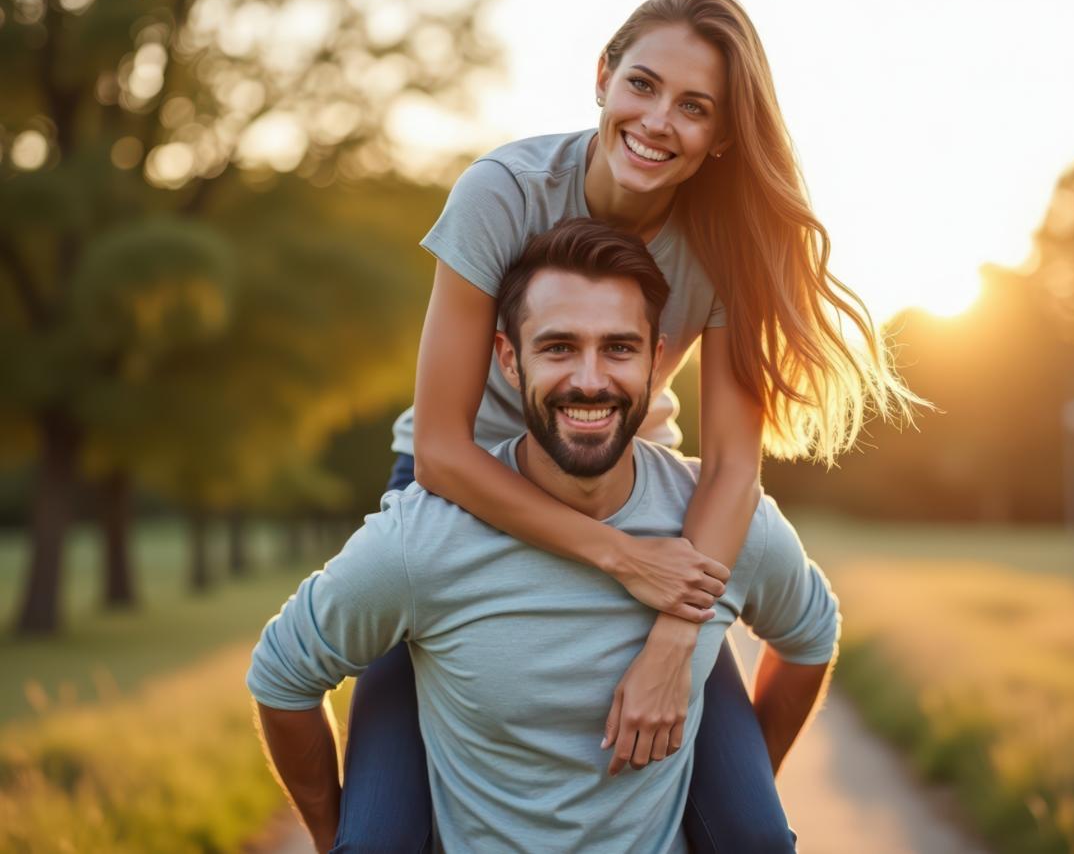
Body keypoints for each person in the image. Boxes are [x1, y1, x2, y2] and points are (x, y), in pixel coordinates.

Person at [350, 0, 927, 851]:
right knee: (377, 839)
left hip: (629, 488)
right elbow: (438, 449)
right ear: (603, 77)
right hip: (463, 487)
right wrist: (624, 560)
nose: (659, 121)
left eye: (695, 107)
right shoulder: (501, 193)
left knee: (750, 836)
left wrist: (671, 644)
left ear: (724, 136)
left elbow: (734, 466)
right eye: (644, 85)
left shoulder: (728, 243)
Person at [249, 218, 841, 853]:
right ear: (508, 359)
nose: (590, 380)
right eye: (558, 347)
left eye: (618, 348)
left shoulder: (722, 523)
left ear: (657, 358)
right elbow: (284, 675)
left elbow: (810, 634)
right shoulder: (424, 540)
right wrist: (331, 834)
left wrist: (741, 786)